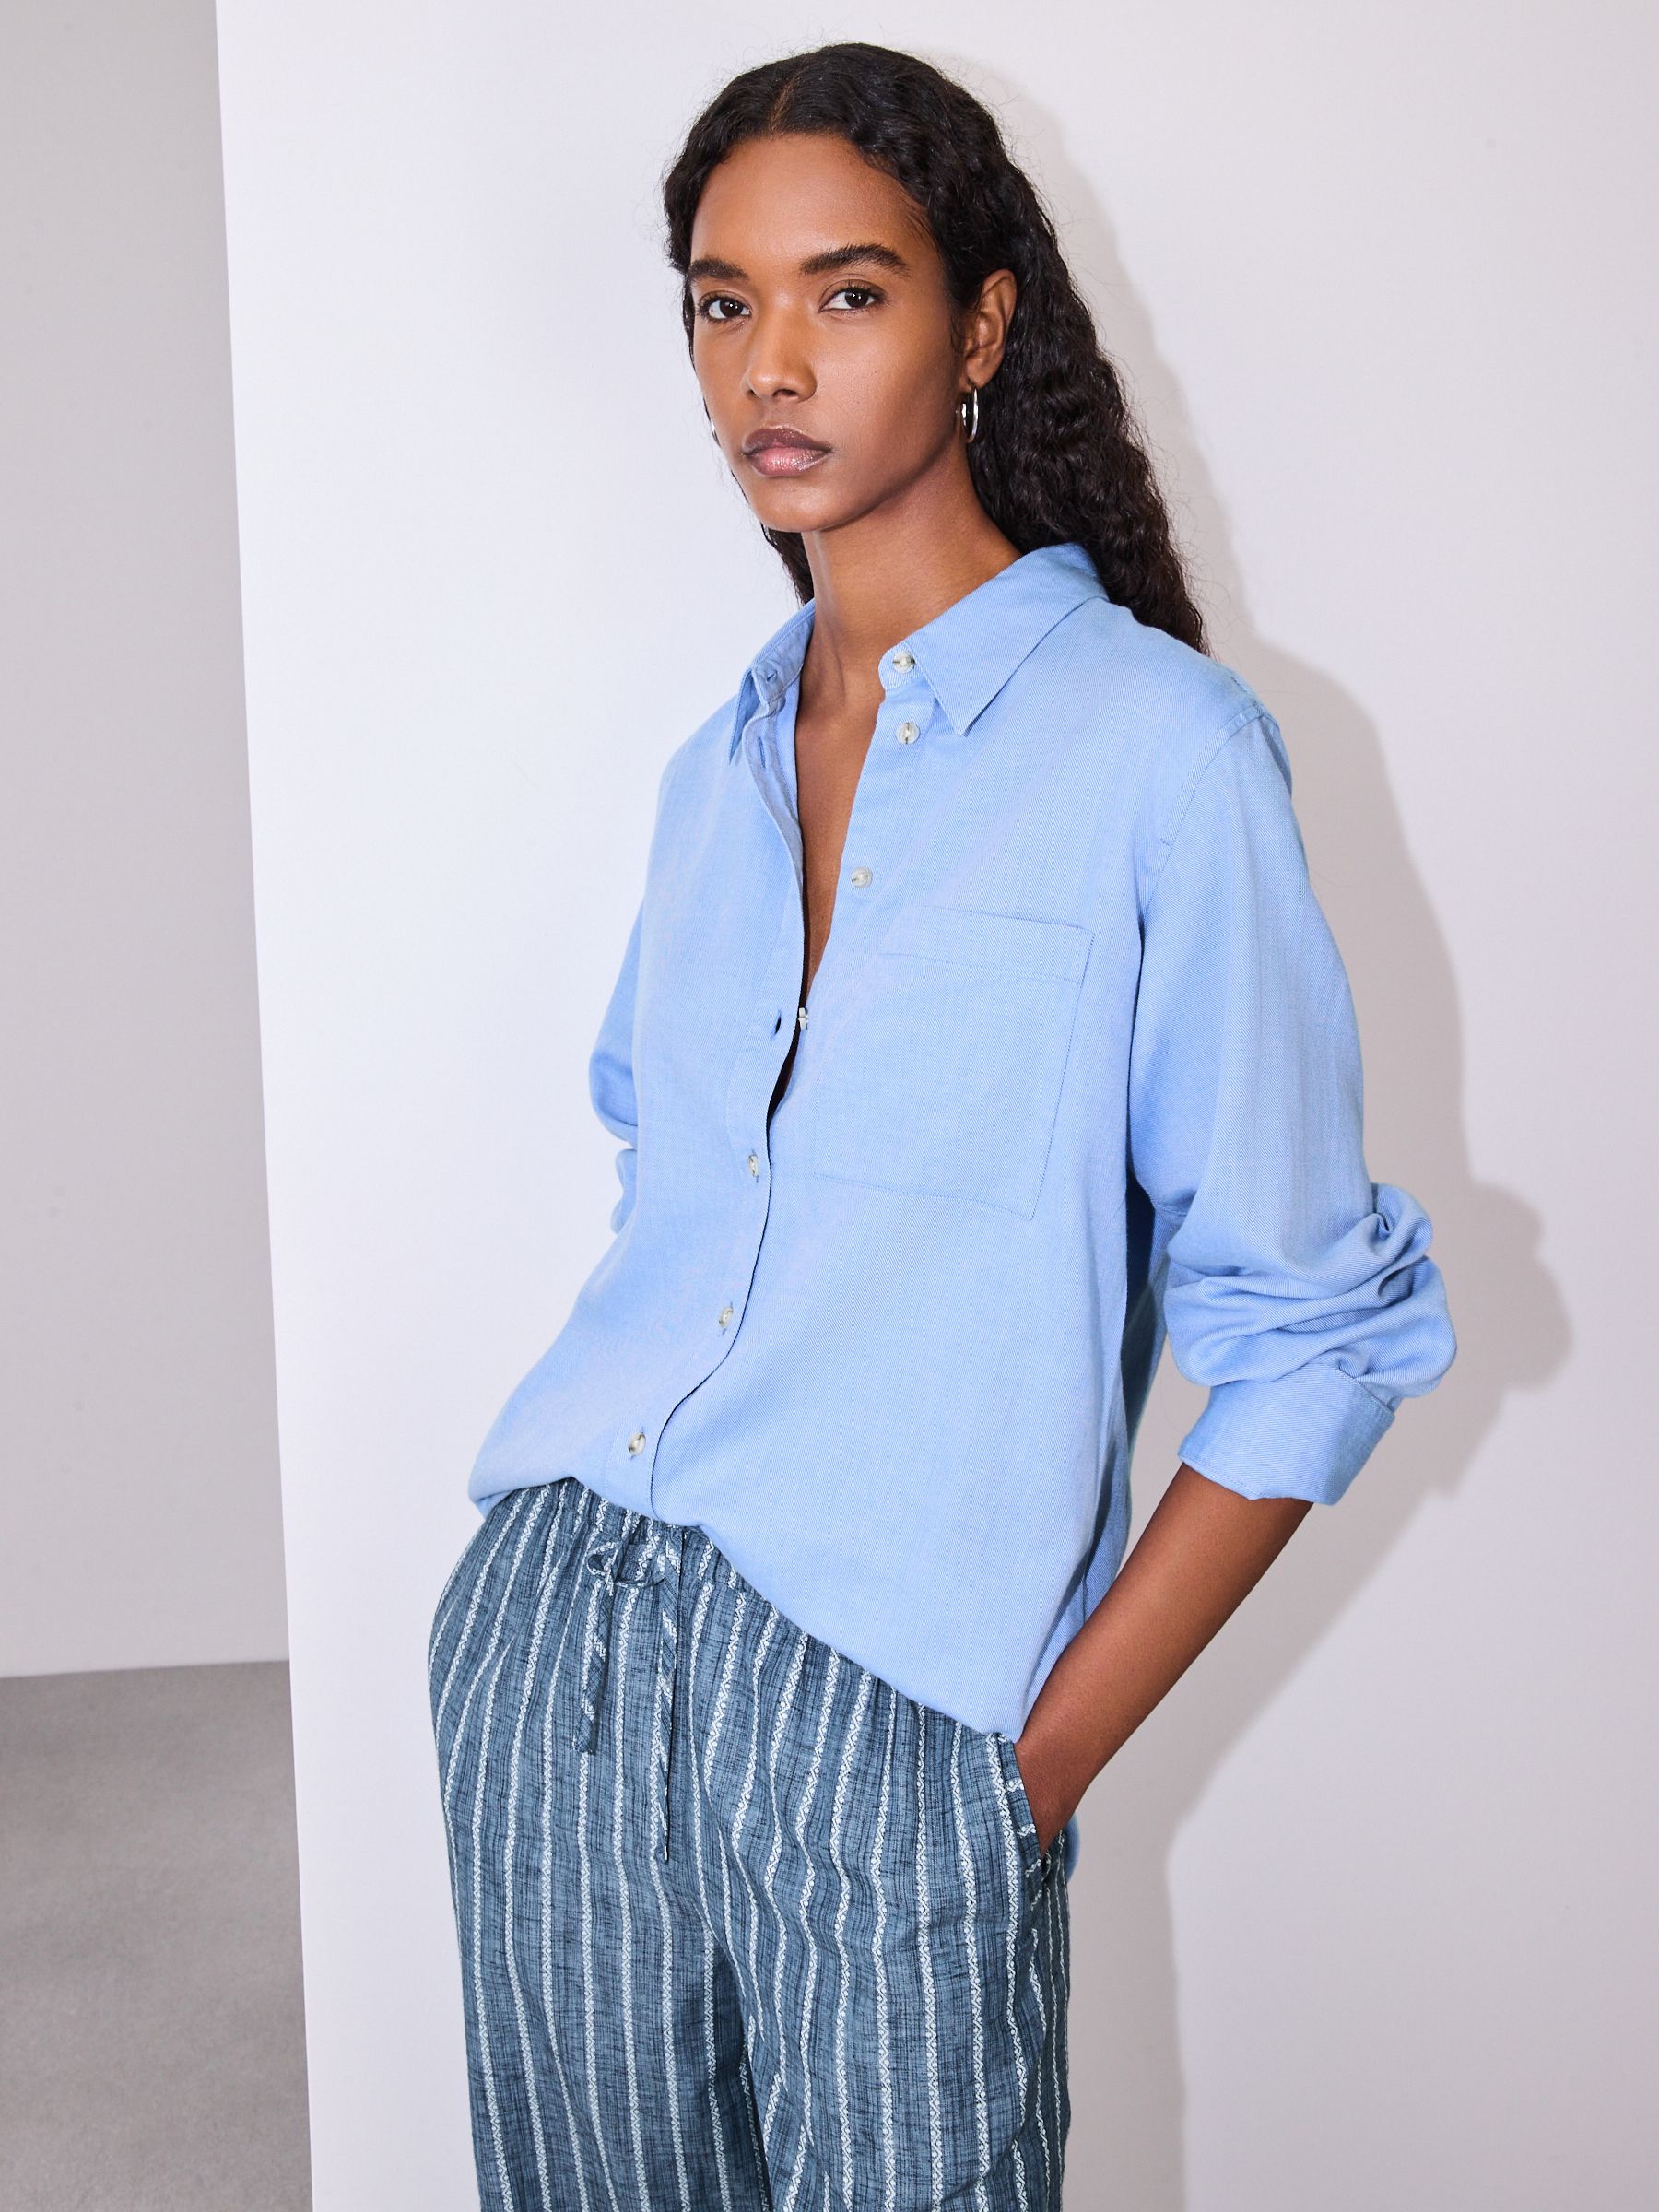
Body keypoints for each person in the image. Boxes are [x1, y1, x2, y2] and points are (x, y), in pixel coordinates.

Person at [427, 39, 1456, 2210]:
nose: (771, 364)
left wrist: (1026, 1768)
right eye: (724, 302)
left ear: (982, 325)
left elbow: (1317, 1332)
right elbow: (679, 1189)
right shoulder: (715, 770)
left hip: (893, 1713)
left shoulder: (1162, 754)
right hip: (558, 1654)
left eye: (850, 291)